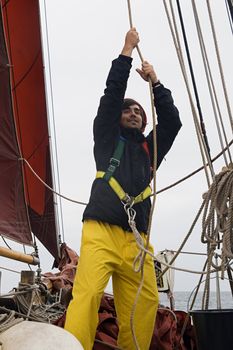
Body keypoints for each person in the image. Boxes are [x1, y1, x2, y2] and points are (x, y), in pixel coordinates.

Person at [64, 28, 182, 349]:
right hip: (101, 232)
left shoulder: (149, 149)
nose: (133, 113)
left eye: (139, 112)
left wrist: (155, 83)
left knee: (143, 304)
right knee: (87, 296)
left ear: (144, 123)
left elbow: (171, 121)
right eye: (128, 110)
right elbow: (112, 94)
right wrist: (127, 51)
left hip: (137, 242)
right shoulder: (106, 138)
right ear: (117, 118)